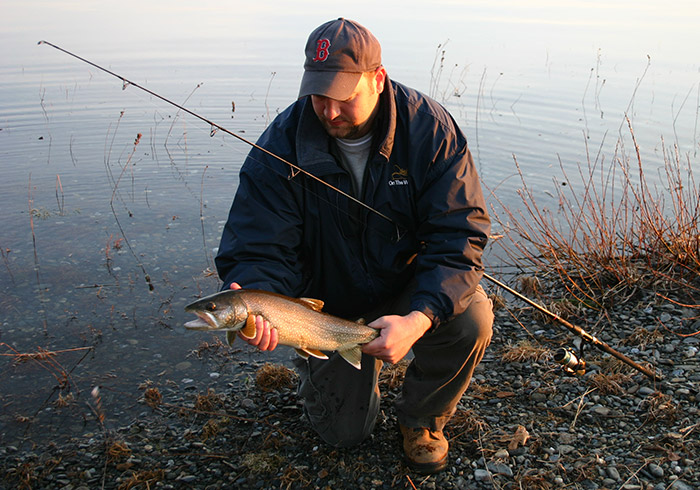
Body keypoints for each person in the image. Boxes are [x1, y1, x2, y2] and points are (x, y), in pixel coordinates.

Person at [215, 17, 493, 474]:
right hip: (326, 304)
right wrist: (259, 301)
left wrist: (419, 319)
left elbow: (459, 235)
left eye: (344, 96)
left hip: (408, 284)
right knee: (345, 435)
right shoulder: (280, 145)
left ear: (378, 79)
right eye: (318, 95)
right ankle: (327, 374)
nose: (329, 111)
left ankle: (423, 417)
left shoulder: (429, 131)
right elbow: (258, 244)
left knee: (472, 319)